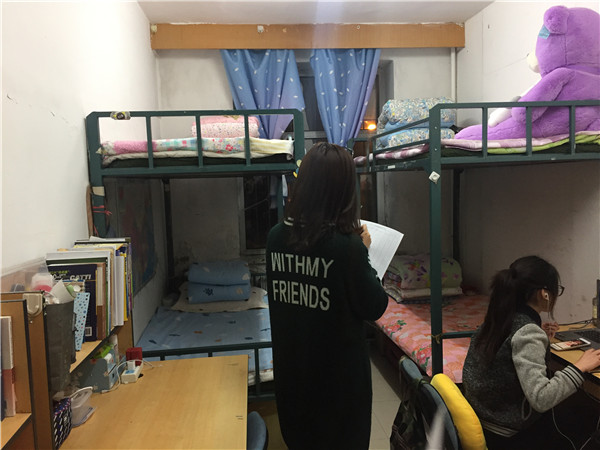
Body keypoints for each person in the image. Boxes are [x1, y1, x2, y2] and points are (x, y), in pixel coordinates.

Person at [266, 142, 389, 450]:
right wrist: (364, 251)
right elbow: (375, 305)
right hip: (338, 389)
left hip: (293, 377)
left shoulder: (275, 237)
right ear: (342, 190)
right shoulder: (346, 247)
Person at [462, 255, 600, 450]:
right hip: (505, 432)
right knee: (580, 421)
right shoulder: (528, 333)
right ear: (544, 294)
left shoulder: (500, 317)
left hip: (482, 415)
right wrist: (580, 367)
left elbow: (507, 350)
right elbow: (541, 398)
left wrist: (540, 337)